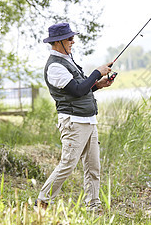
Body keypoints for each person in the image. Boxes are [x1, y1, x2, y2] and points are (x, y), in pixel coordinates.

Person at [36, 22, 114, 213]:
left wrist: (99, 84)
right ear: (58, 42)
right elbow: (78, 91)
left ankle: (93, 206)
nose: (73, 41)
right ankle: (42, 202)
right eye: (69, 38)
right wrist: (97, 72)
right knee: (68, 165)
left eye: (72, 37)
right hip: (73, 122)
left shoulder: (68, 60)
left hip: (88, 121)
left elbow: (82, 88)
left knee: (93, 167)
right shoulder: (54, 66)